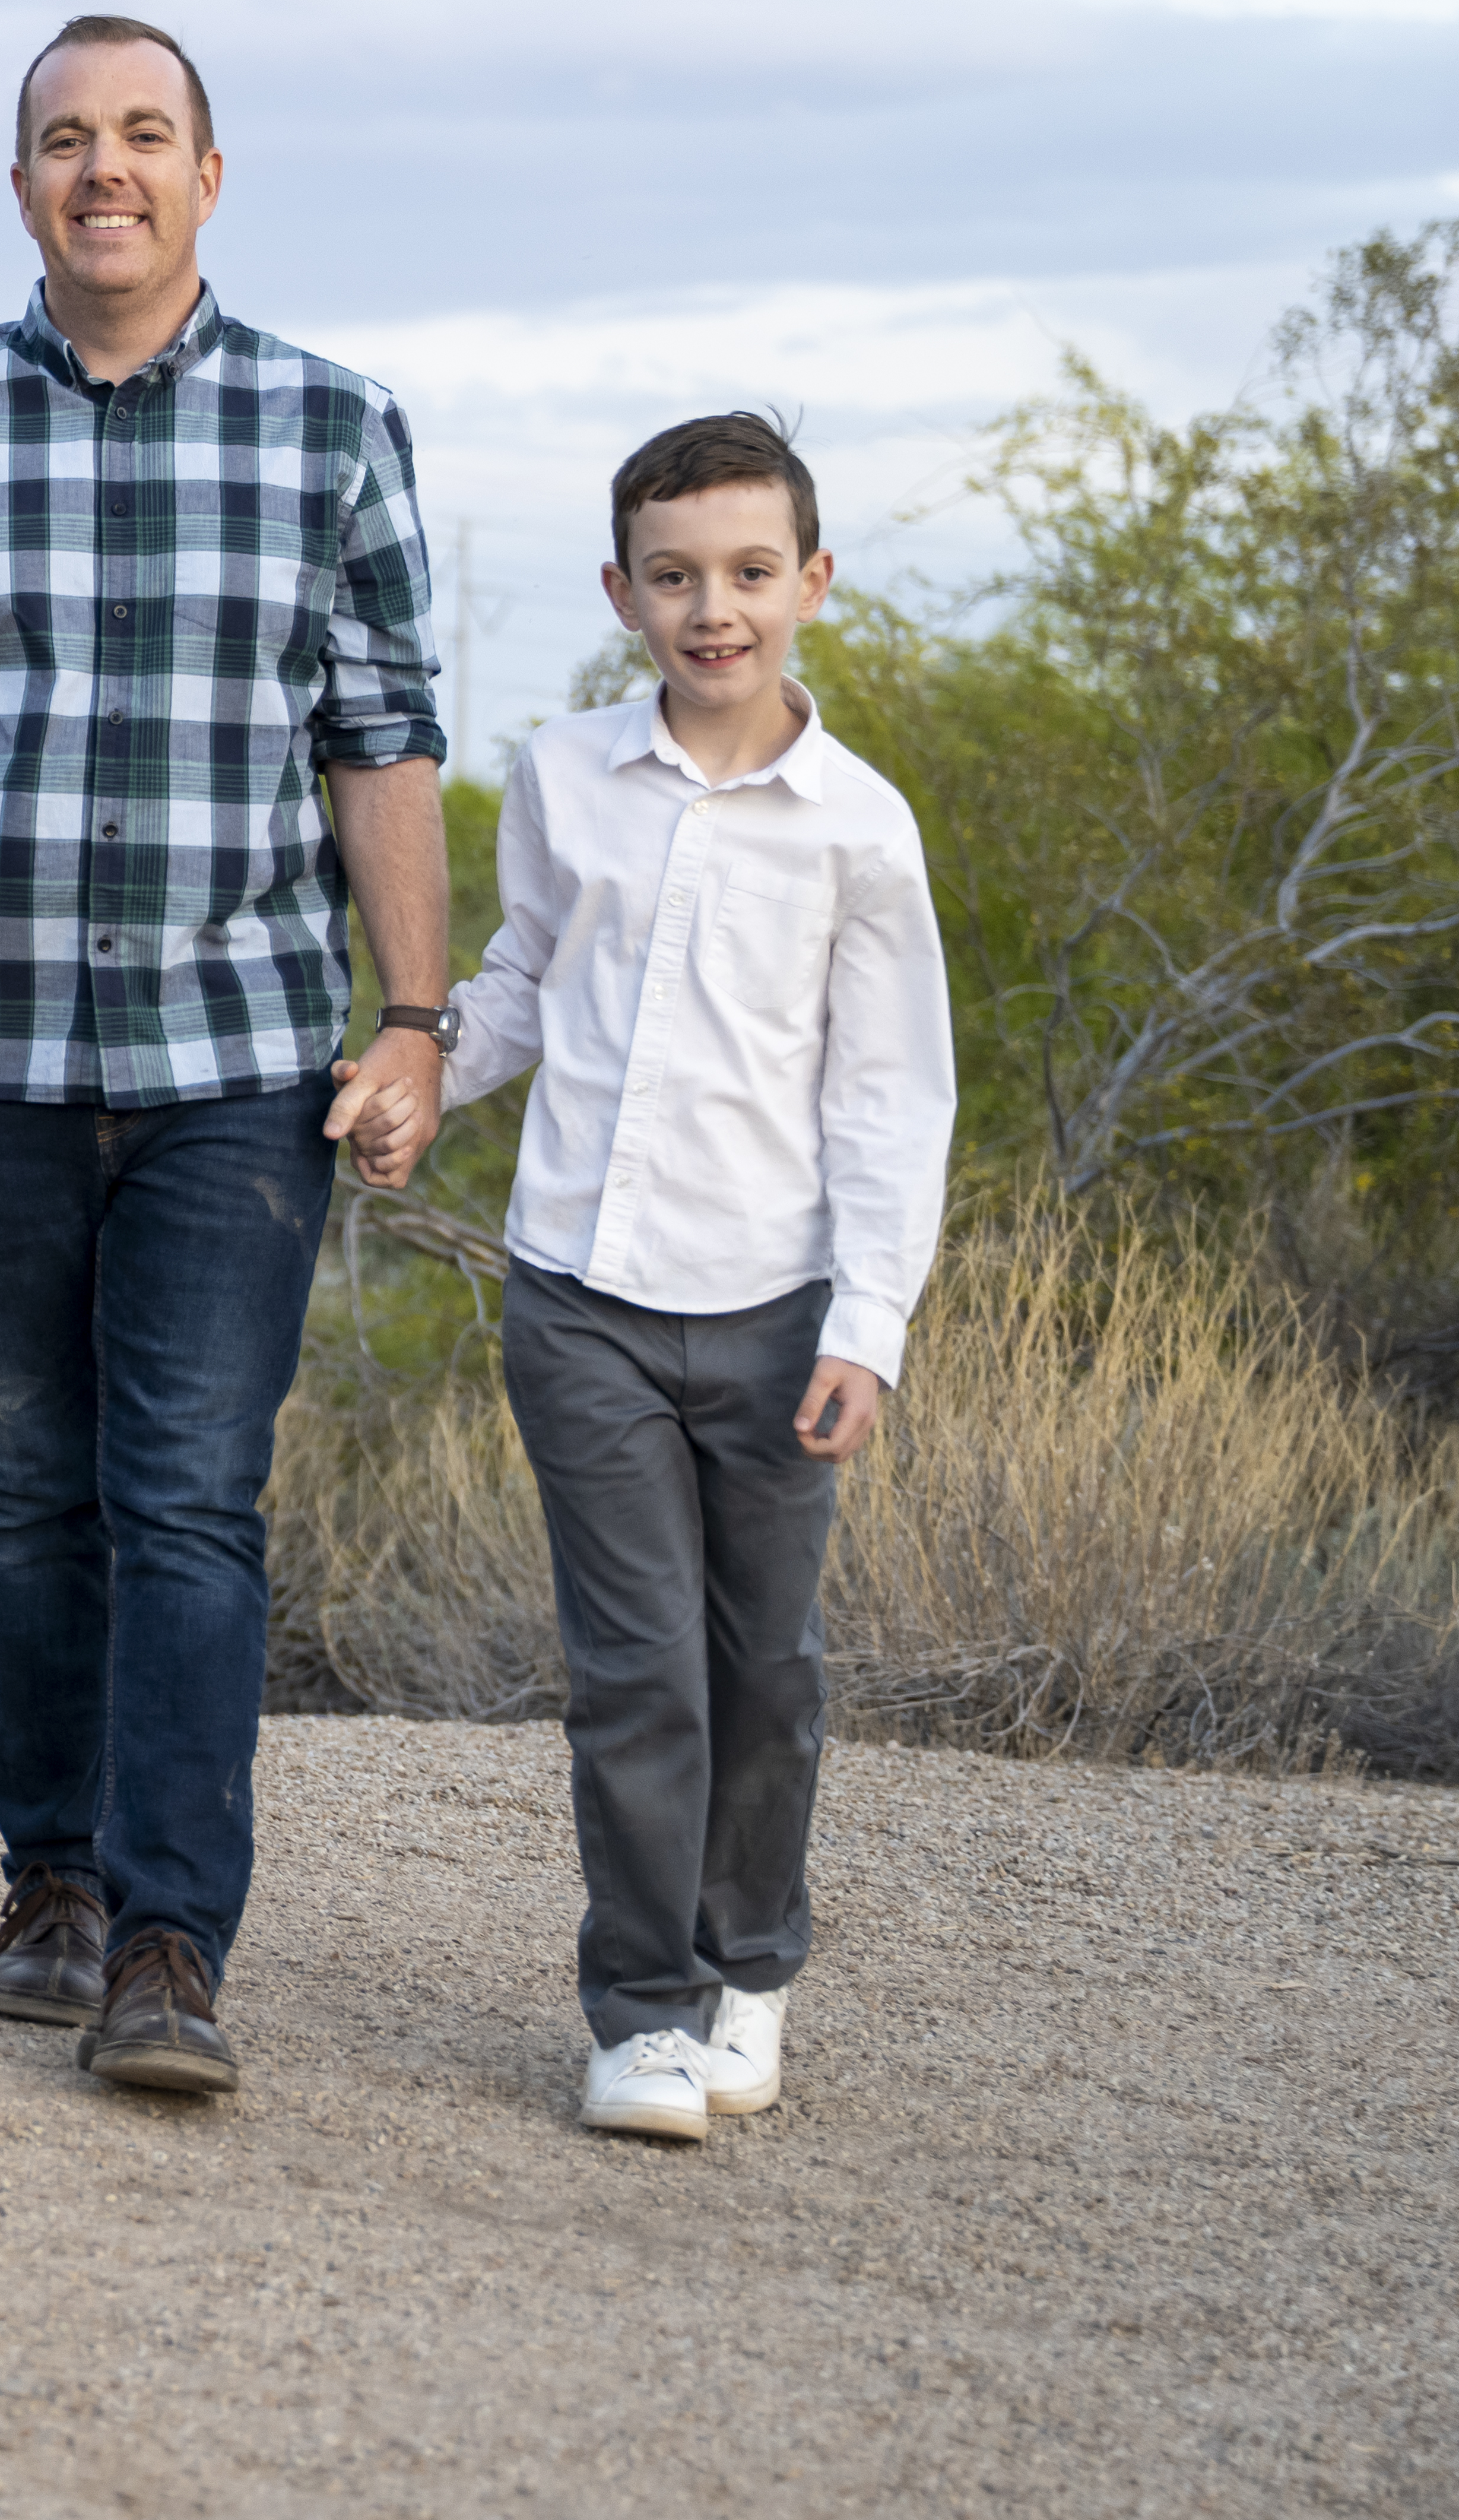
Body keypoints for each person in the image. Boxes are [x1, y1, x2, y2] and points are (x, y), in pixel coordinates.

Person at [0, 14, 451, 2099]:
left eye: (146, 134)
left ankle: (169, 1938)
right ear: (23, 184)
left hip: (239, 1055)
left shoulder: (335, 425)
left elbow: (384, 735)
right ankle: (49, 1879)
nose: (105, 168)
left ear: (209, 176)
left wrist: (417, 1017)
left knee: (192, 1494)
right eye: (67, 138)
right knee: (31, 1481)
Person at [381, 412, 953, 2141]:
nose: (716, 609)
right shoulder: (564, 777)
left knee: (762, 1668)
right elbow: (523, 978)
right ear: (621, 591)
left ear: (812, 582)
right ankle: (640, 2010)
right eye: (678, 576)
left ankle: (747, 1970)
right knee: (637, 1670)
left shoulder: (860, 830)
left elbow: (890, 1094)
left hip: (778, 1312)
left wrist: (869, 1324)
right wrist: (419, 1071)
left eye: (751, 573)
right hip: (581, 1298)